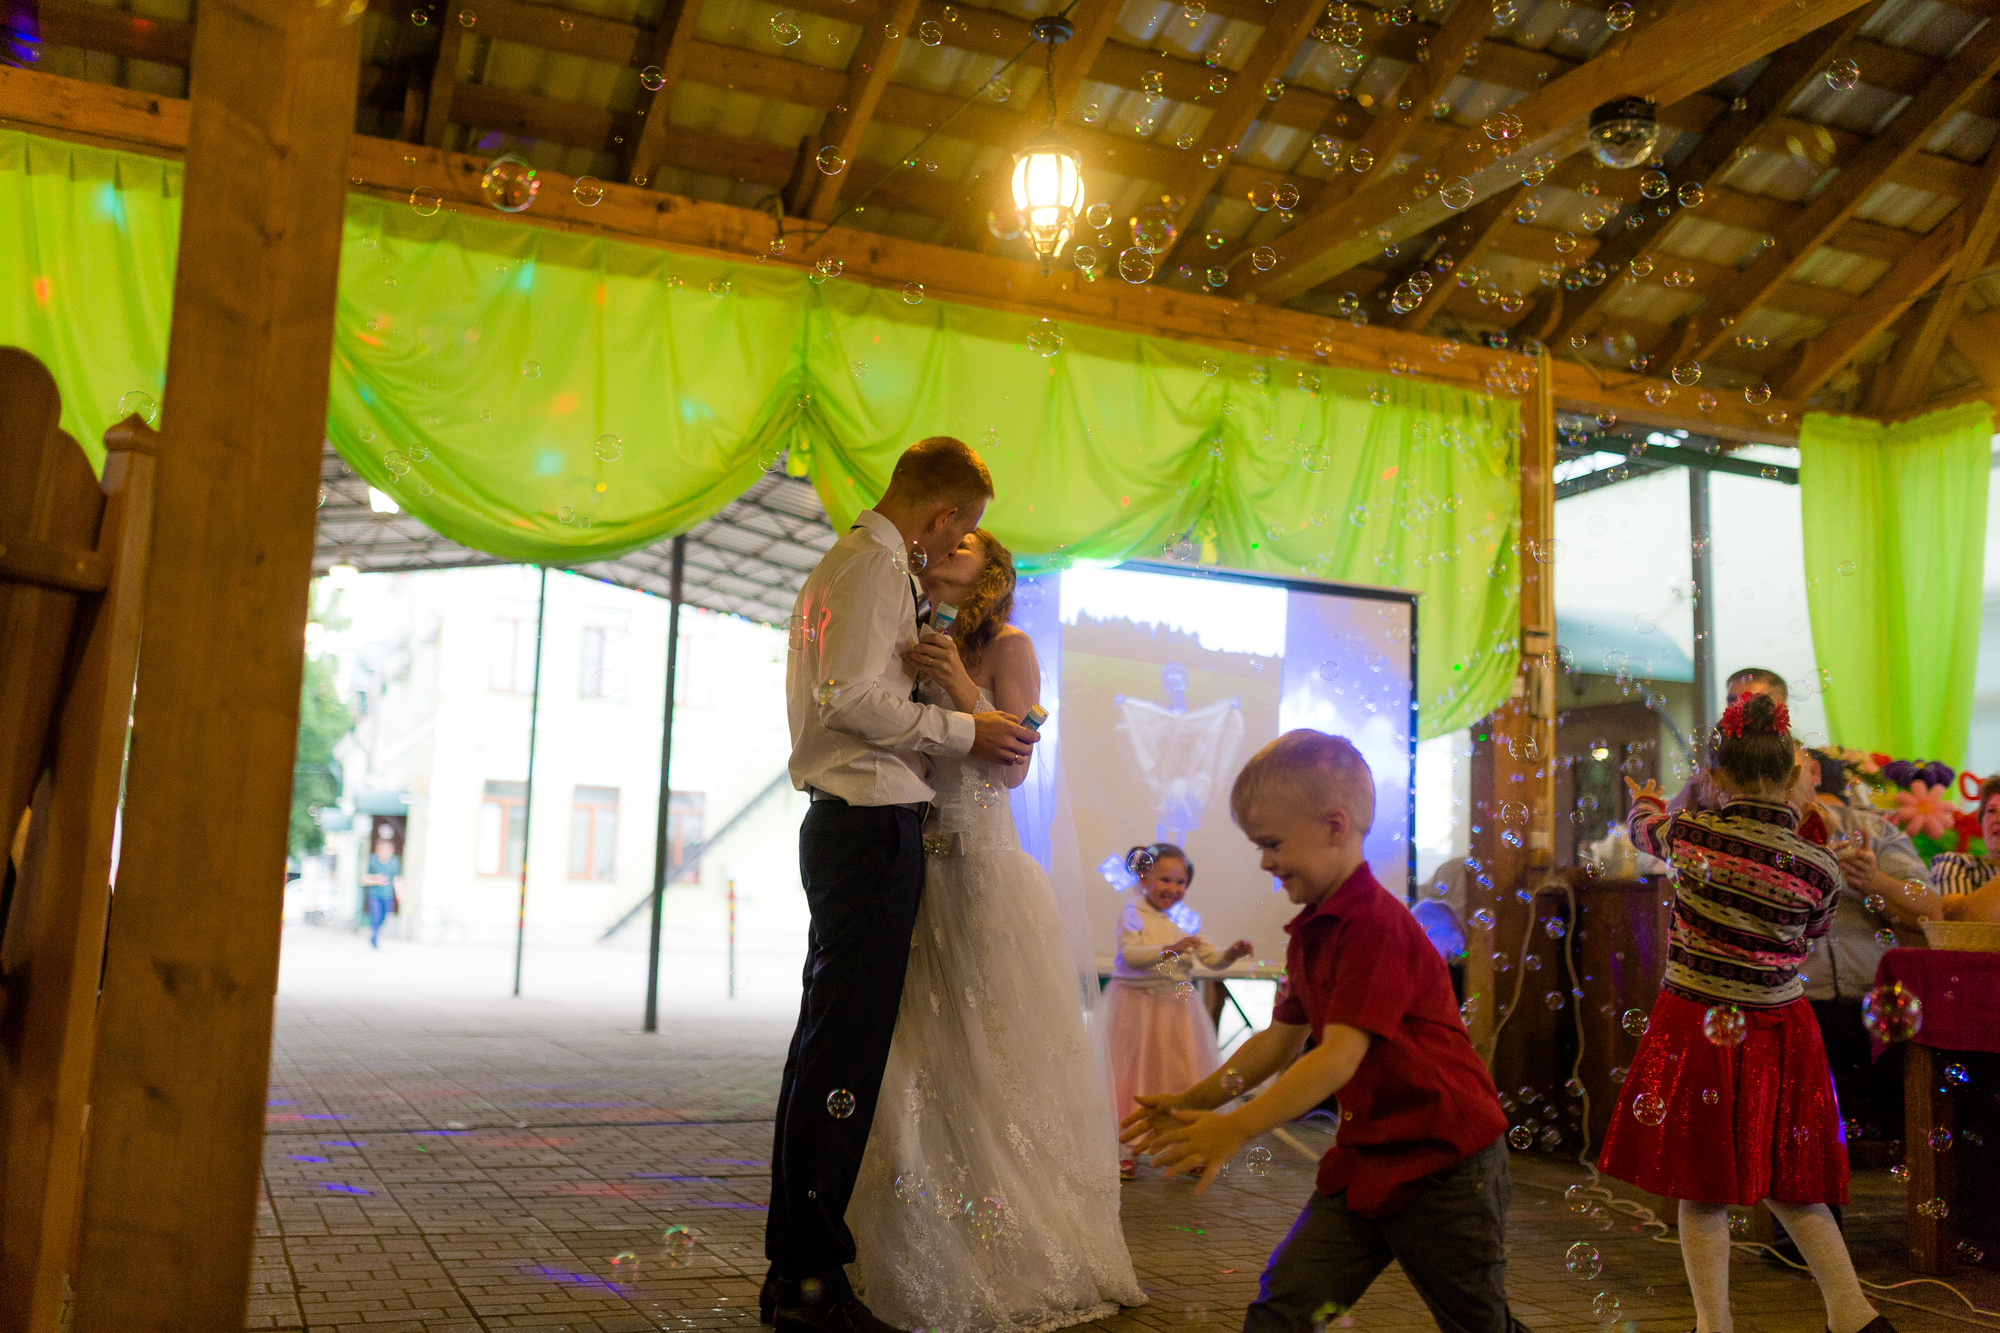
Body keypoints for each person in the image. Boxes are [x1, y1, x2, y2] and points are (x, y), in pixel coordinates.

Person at [765, 437, 1042, 1333]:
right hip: (868, 822)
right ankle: (809, 1285)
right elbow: (848, 698)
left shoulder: (860, 564)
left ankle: (803, 1272)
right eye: (958, 528)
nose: (956, 543)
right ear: (939, 517)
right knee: (839, 1055)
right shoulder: (877, 566)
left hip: (866, 822)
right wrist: (967, 733)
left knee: (832, 1051)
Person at [1123, 730, 1526, 1333]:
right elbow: (1277, 1042)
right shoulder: (1314, 929)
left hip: (1445, 1166)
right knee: (1283, 1309)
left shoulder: (1373, 926)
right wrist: (1190, 1101)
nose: (1264, 861)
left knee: (1478, 1326)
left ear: (1335, 825)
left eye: (1272, 843)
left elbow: (1336, 1058)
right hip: (1367, 1157)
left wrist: (1234, 1128)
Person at [844, 528, 1144, 1331]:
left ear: (996, 572)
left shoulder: (1007, 643)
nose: (944, 543)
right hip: (910, 859)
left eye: (966, 540)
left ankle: (1014, 1242)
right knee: (921, 1054)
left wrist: (959, 687)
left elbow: (1014, 763)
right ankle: (927, 1239)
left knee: (989, 1047)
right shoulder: (911, 631)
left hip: (980, 861)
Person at [1605, 694, 1893, 1333]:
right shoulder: (1819, 867)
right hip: (1782, 1030)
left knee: (1700, 1188)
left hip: (1696, 1025)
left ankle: (1715, 1325)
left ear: (1712, 777)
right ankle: (1854, 1314)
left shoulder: (1691, 834)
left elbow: (1642, 828)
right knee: (1794, 1183)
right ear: (1795, 778)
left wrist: (1648, 800)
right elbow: (1813, 933)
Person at [1800, 750, 1935, 1144]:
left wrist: (1875, 881)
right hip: (1799, 1004)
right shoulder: (1772, 830)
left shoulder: (1873, 829)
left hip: (1874, 1006)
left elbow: (1931, 909)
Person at [1103, 843, 1253, 1178]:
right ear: (1143, 878)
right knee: (1130, 1078)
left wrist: (1231, 954)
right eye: (1164, 880)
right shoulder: (1132, 912)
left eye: (1180, 881)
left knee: (1180, 1074)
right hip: (1134, 1006)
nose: (1173, 889)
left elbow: (1210, 958)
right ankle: (1124, 1150)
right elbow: (1130, 955)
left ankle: (1186, 1145)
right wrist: (1170, 949)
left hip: (1176, 1009)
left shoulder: (1187, 918)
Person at [1667, 667, 1790, 815]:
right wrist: (1691, 791)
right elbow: (1669, 819)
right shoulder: (1720, 761)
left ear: (1781, 706)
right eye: (1733, 701)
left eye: (1753, 701)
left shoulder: (1811, 764)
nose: (1739, 709)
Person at [1928, 774, 2000, 922]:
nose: (1998, 819)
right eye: (1991, 811)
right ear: (1981, 821)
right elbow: (1955, 922)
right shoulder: (1954, 863)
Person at [361, 838, 400, 949]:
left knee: (384, 917)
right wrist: (376, 880)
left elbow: (396, 879)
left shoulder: (394, 862)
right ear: (378, 850)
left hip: (388, 895)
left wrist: (399, 894)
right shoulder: (372, 861)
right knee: (376, 916)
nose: (386, 852)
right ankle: (374, 937)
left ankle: (375, 934)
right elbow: (364, 879)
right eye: (383, 850)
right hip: (375, 894)